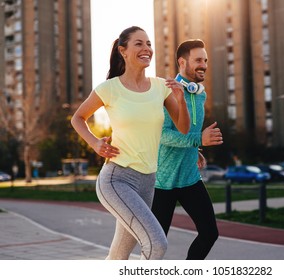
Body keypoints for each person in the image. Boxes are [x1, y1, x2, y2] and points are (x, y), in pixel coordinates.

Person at [71, 26, 190, 260]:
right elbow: (78, 118)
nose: (147, 49)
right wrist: (95, 143)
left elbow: (183, 128)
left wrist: (181, 101)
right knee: (156, 244)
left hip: (148, 181)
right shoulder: (110, 88)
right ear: (123, 51)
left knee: (118, 255)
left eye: (148, 44)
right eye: (139, 44)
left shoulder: (160, 88)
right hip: (117, 179)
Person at [151, 39, 223, 260]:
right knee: (157, 245)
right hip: (163, 181)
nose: (204, 65)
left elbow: (188, 131)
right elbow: (162, 135)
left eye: (206, 60)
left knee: (210, 233)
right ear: (182, 62)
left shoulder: (200, 93)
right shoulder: (166, 92)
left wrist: (196, 149)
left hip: (190, 178)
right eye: (198, 60)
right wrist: (197, 140)